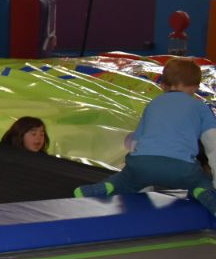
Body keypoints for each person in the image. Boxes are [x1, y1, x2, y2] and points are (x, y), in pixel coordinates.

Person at [73, 58, 216, 214]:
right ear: (196, 86)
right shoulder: (200, 107)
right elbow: (213, 146)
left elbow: (136, 142)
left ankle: (94, 190)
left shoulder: (153, 104)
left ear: (163, 85)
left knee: (123, 181)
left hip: (141, 164)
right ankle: (207, 198)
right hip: (181, 169)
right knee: (201, 182)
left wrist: (140, 174)